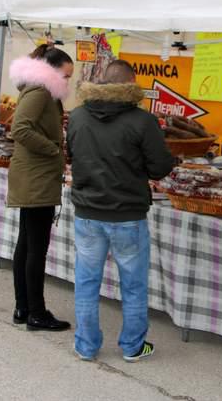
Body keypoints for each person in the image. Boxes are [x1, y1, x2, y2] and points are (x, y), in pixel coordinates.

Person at [66, 60, 175, 362]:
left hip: (88, 213)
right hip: (128, 215)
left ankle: (86, 346)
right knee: (134, 285)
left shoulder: (77, 116)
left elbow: (72, 155)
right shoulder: (142, 121)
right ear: (132, 82)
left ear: (101, 81)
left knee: (87, 282)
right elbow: (159, 167)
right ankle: (132, 346)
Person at [7, 43, 74, 332]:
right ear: (52, 70)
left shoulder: (38, 89)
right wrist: (53, 150)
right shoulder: (40, 91)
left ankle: (23, 307)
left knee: (27, 244)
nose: (68, 82)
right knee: (36, 247)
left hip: (35, 175)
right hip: (37, 177)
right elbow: (20, 128)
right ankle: (36, 311)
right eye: (67, 76)